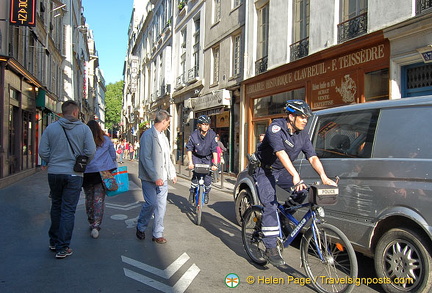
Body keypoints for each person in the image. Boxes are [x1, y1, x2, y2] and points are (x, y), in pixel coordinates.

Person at [254, 100, 337, 267]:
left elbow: (312, 157)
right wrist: (295, 175)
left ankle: (283, 217)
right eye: (302, 117)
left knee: (303, 191)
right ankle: (270, 249)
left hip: (283, 171)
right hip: (265, 170)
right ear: (291, 117)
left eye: (307, 117)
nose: (305, 120)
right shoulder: (276, 128)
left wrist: (324, 176)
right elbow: (280, 152)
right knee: (270, 205)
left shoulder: (303, 135)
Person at [39, 100, 96, 259]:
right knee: (68, 210)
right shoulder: (84, 129)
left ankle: (54, 241)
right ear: (76, 112)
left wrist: (53, 161)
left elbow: (43, 151)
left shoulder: (51, 128)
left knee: (56, 205)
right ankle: (63, 247)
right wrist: (82, 164)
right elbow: (91, 151)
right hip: (74, 174)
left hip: (55, 173)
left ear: (62, 112)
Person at [136, 110, 177, 244]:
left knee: (161, 206)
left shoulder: (164, 137)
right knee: (151, 203)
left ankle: (157, 233)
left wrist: (172, 174)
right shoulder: (148, 135)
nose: (168, 126)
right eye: (168, 123)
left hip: (163, 178)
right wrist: (155, 177)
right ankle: (141, 226)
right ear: (163, 121)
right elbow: (145, 158)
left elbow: (167, 158)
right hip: (149, 178)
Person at [82, 120, 117, 239]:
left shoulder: (83, 140)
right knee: (98, 200)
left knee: (88, 198)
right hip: (101, 173)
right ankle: (96, 225)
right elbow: (113, 155)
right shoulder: (106, 140)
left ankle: (90, 219)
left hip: (86, 173)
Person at [186, 115, 218, 204]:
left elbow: (215, 150)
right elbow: (189, 149)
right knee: (196, 176)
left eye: (207, 124)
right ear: (199, 125)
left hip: (207, 158)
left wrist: (215, 164)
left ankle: (207, 193)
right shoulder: (194, 135)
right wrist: (190, 162)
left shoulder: (212, 134)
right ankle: (192, 192)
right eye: (203, 124)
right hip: (196, 157)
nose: (205, 126)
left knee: (207, 178)